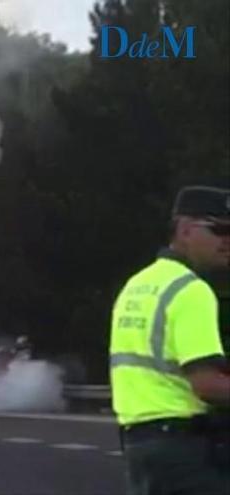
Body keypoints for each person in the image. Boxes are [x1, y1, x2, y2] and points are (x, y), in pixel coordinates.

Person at [110, 181, 230, 495]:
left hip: (139, 446)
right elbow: (207, 384)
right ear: (186, 230)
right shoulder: (192, 291)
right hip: (184, 448)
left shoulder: (137, 285)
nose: (227, 241)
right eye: (218, 230)